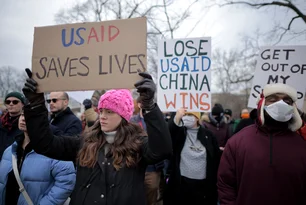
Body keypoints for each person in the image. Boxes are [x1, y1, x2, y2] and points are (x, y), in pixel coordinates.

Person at [22, 70, 172, 205]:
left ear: (123, 116)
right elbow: (45, 144)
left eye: (109, 112)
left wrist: (150, 106)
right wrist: (36, 105)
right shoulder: (84, 141)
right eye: (101, 111)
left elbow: (162, 150)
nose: (102, 117)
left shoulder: (137, 144)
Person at [218, 83, 306, 205]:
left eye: (287, 101)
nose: (281, 104)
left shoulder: (302, 144)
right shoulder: (237, 142)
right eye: (273, 100)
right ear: (262, 103)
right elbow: (226, 185)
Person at [0, 110, 76, 205]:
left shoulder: (56, 150)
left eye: (29, 116)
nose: (23, 119)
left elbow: (66, 183)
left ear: (41, 121)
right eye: (22, 115)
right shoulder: (10, 150)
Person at [164, 109, 220, 205]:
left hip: (203, 186)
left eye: (190, 115)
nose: (186, 117)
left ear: (197, 118)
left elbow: (215, 158)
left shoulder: (209, 135)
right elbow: (169, 133)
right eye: (185, 115)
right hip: (182, 183)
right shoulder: (180, 133)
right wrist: (177, 117)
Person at [130, 97, 165, 205]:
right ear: (139, 104)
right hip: (136, 166)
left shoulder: (158, 121)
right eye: (144, 102)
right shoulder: (132, 121)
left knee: (151, 196)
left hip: (153, 168)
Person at [0, 92, 25, 159]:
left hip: (16, 161)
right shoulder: (1, 122)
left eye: (15, 102)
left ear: (22, 104)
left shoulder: (25, 123)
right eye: (8, 102)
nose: (11, 104)